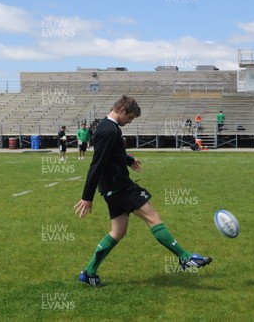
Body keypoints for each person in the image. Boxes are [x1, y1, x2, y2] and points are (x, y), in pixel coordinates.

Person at [74, 95, 212, 287]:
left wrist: (128, 159)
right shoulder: (108, 130)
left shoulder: (109, 127)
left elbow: (113, 154)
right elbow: (97, 164)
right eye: (129, 118)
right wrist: (86, 197)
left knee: (118, 231)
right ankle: (185, 257)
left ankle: (89, 273)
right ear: (122, 109)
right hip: (120, 187)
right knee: (153, 218)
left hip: (113, 189)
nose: (129, 122)